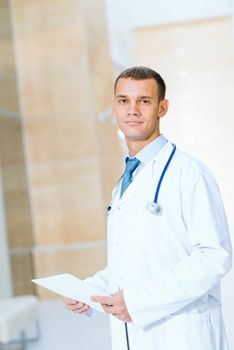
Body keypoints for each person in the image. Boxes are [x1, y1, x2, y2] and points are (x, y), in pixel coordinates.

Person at [63, 66, 232, 350]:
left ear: (162, 108)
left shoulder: (188, 173)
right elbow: (128, 262)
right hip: (134, 334)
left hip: (182, 334)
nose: (133, 110)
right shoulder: (127, 180)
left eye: (144, 101)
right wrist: (89, 290)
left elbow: (214, 256)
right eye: (123, 100)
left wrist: (139, 302)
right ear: (114, 108)